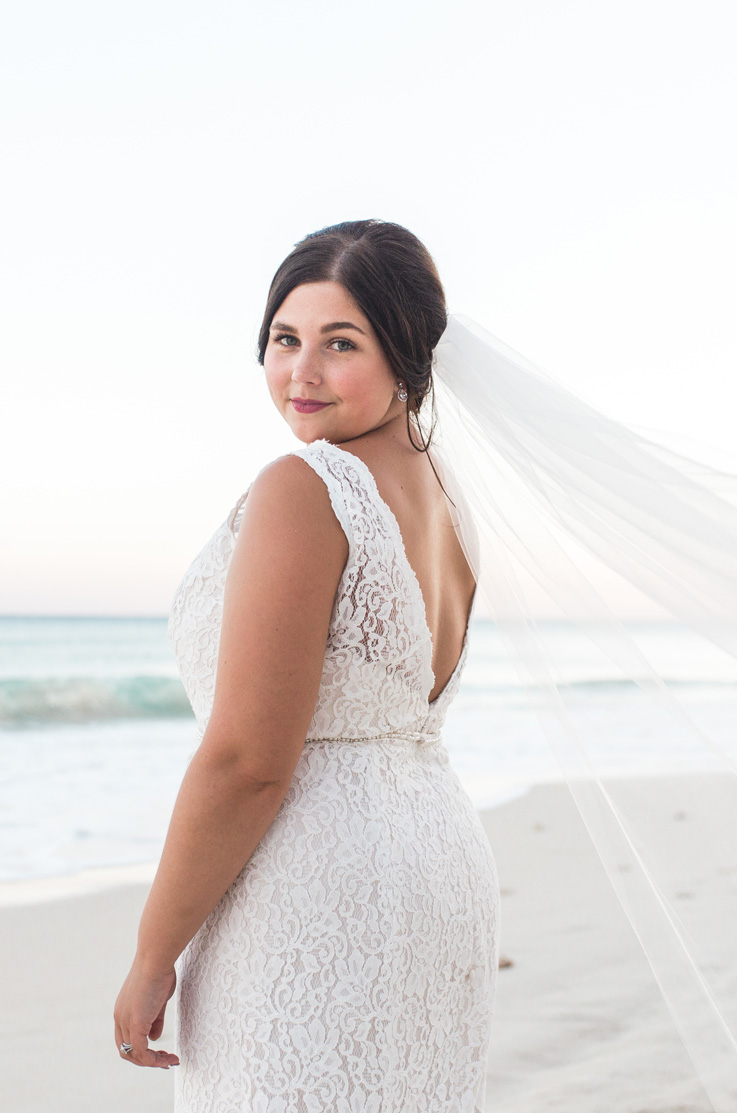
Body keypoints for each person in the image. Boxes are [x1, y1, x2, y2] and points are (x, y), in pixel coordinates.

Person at [114, 219, 500, 1111]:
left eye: (340, 343)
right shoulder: (447, 494)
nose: (302, 373)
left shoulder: (306, 488)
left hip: (319, 885)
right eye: (285, 340)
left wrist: (151, 951)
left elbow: (247, 759)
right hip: (436, 866)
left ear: (408, 351)